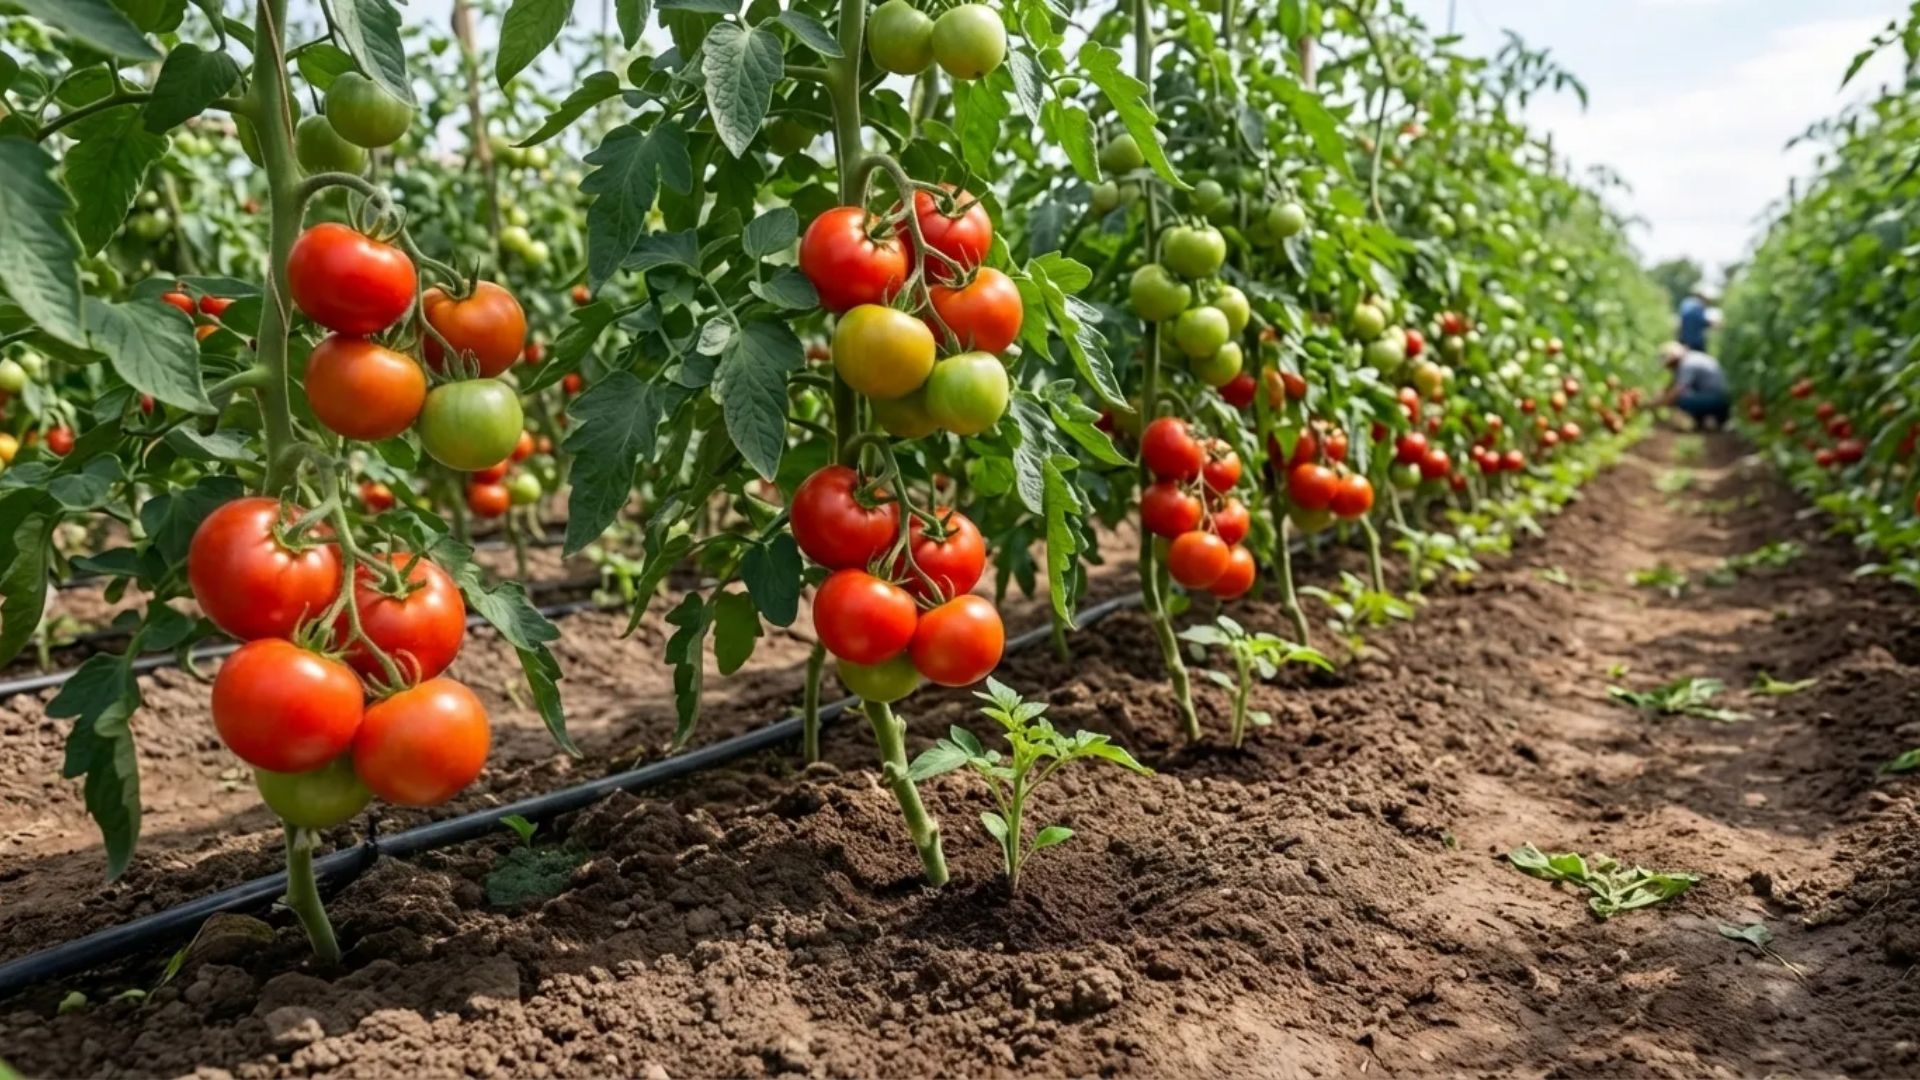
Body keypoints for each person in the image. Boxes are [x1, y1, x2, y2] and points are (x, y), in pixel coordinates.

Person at [1660, 342, 1730, 430]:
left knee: (1681, 398)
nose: (1670, 368)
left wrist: (1661, 402)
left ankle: (1705, 419)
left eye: (1670, 364)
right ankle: (1708, 420)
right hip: (1720, 398)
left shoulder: (1687, 364)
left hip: (1717, 399)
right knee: (1689, 393)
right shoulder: (1692, 358)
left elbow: (1678, 390)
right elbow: (1673, 384)